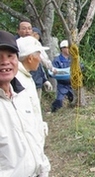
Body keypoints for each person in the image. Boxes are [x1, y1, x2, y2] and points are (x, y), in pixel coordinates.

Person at [0, 30, 50, 176]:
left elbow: (32, 136)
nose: (5, 62)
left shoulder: (21, 95)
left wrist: (43, 168)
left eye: (10, 56)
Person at [50, 40, 75, 112]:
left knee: (74, 98)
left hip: (72, 84)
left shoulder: (73, 58)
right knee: (59, 100)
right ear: (62, 49)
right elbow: (51, 71)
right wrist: (55, 72)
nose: (68, 49)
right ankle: (54, 111)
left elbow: (81, 66)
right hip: (62, 84)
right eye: (67, 47)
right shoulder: (57, 60)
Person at [30, 27, 53, 99]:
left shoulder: (37, 45)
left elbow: (41, 67)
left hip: (37, 83)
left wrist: (45, 80)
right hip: (27, 86)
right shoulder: (20, 44)